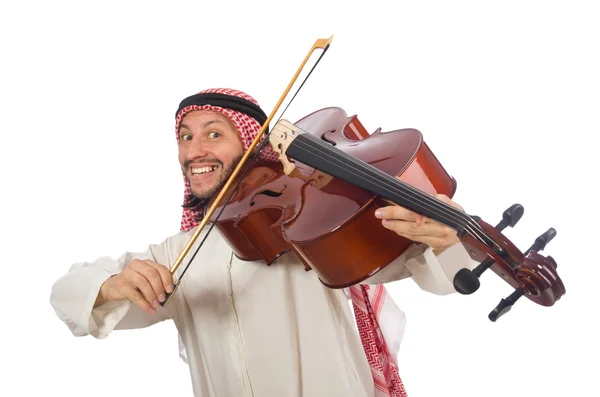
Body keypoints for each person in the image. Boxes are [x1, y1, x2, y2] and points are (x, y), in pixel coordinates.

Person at [50, 88, 477, 397]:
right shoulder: (177, 254)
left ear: (254, 143)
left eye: (214, 134)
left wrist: (442, 239)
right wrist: (109, 286)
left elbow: (435, 274)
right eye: (185, 136)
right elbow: (68, 295)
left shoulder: (312, 227)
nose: (194, 150)